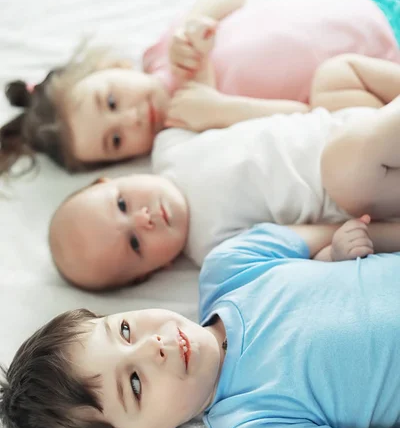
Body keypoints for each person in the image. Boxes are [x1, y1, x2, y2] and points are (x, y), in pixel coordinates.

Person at [3, 218, 400, 428]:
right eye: (135, 383)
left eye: (124, 330)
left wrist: (338, 250)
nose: (151, 346)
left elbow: (352, 230)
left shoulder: (232, 266)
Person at [1, 0, 400, 174]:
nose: (132, 119)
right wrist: (221, 110)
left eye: (111, 102)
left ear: (115, 69)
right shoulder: (189, 134)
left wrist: (197, 19)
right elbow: (306, 119)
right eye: (116, 140)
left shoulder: (165, 50)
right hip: (382, 65)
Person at [49, 52, 400, 290]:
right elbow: (309, 242)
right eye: (135, 243)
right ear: (153, 272)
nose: (144, 219)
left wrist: (198, 52)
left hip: (343, 122)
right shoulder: (216, 249)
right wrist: (345, 248)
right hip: (365, 187)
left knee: (335, 73)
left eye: (122, 204)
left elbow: (208, 93)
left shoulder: (170, 143)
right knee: (345, 169)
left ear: (115, 179)